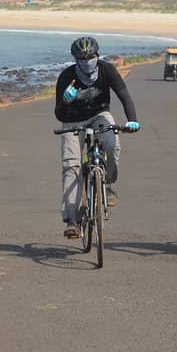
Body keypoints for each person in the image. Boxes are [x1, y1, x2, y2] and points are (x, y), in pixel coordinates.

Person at [55, 36, 140, 239]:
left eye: (90, 56)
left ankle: (108, 183)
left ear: (97, 55)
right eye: (82, 58)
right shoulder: (67, 77)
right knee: (72, 166)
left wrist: (132, 120)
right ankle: (72, 220)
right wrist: (65, 102)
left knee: (112, 143)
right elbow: (58, 113)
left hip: (100, 115)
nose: (87, 61)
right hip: (72, 121)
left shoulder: (106, 70)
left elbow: (123, 94)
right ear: (75, 59)